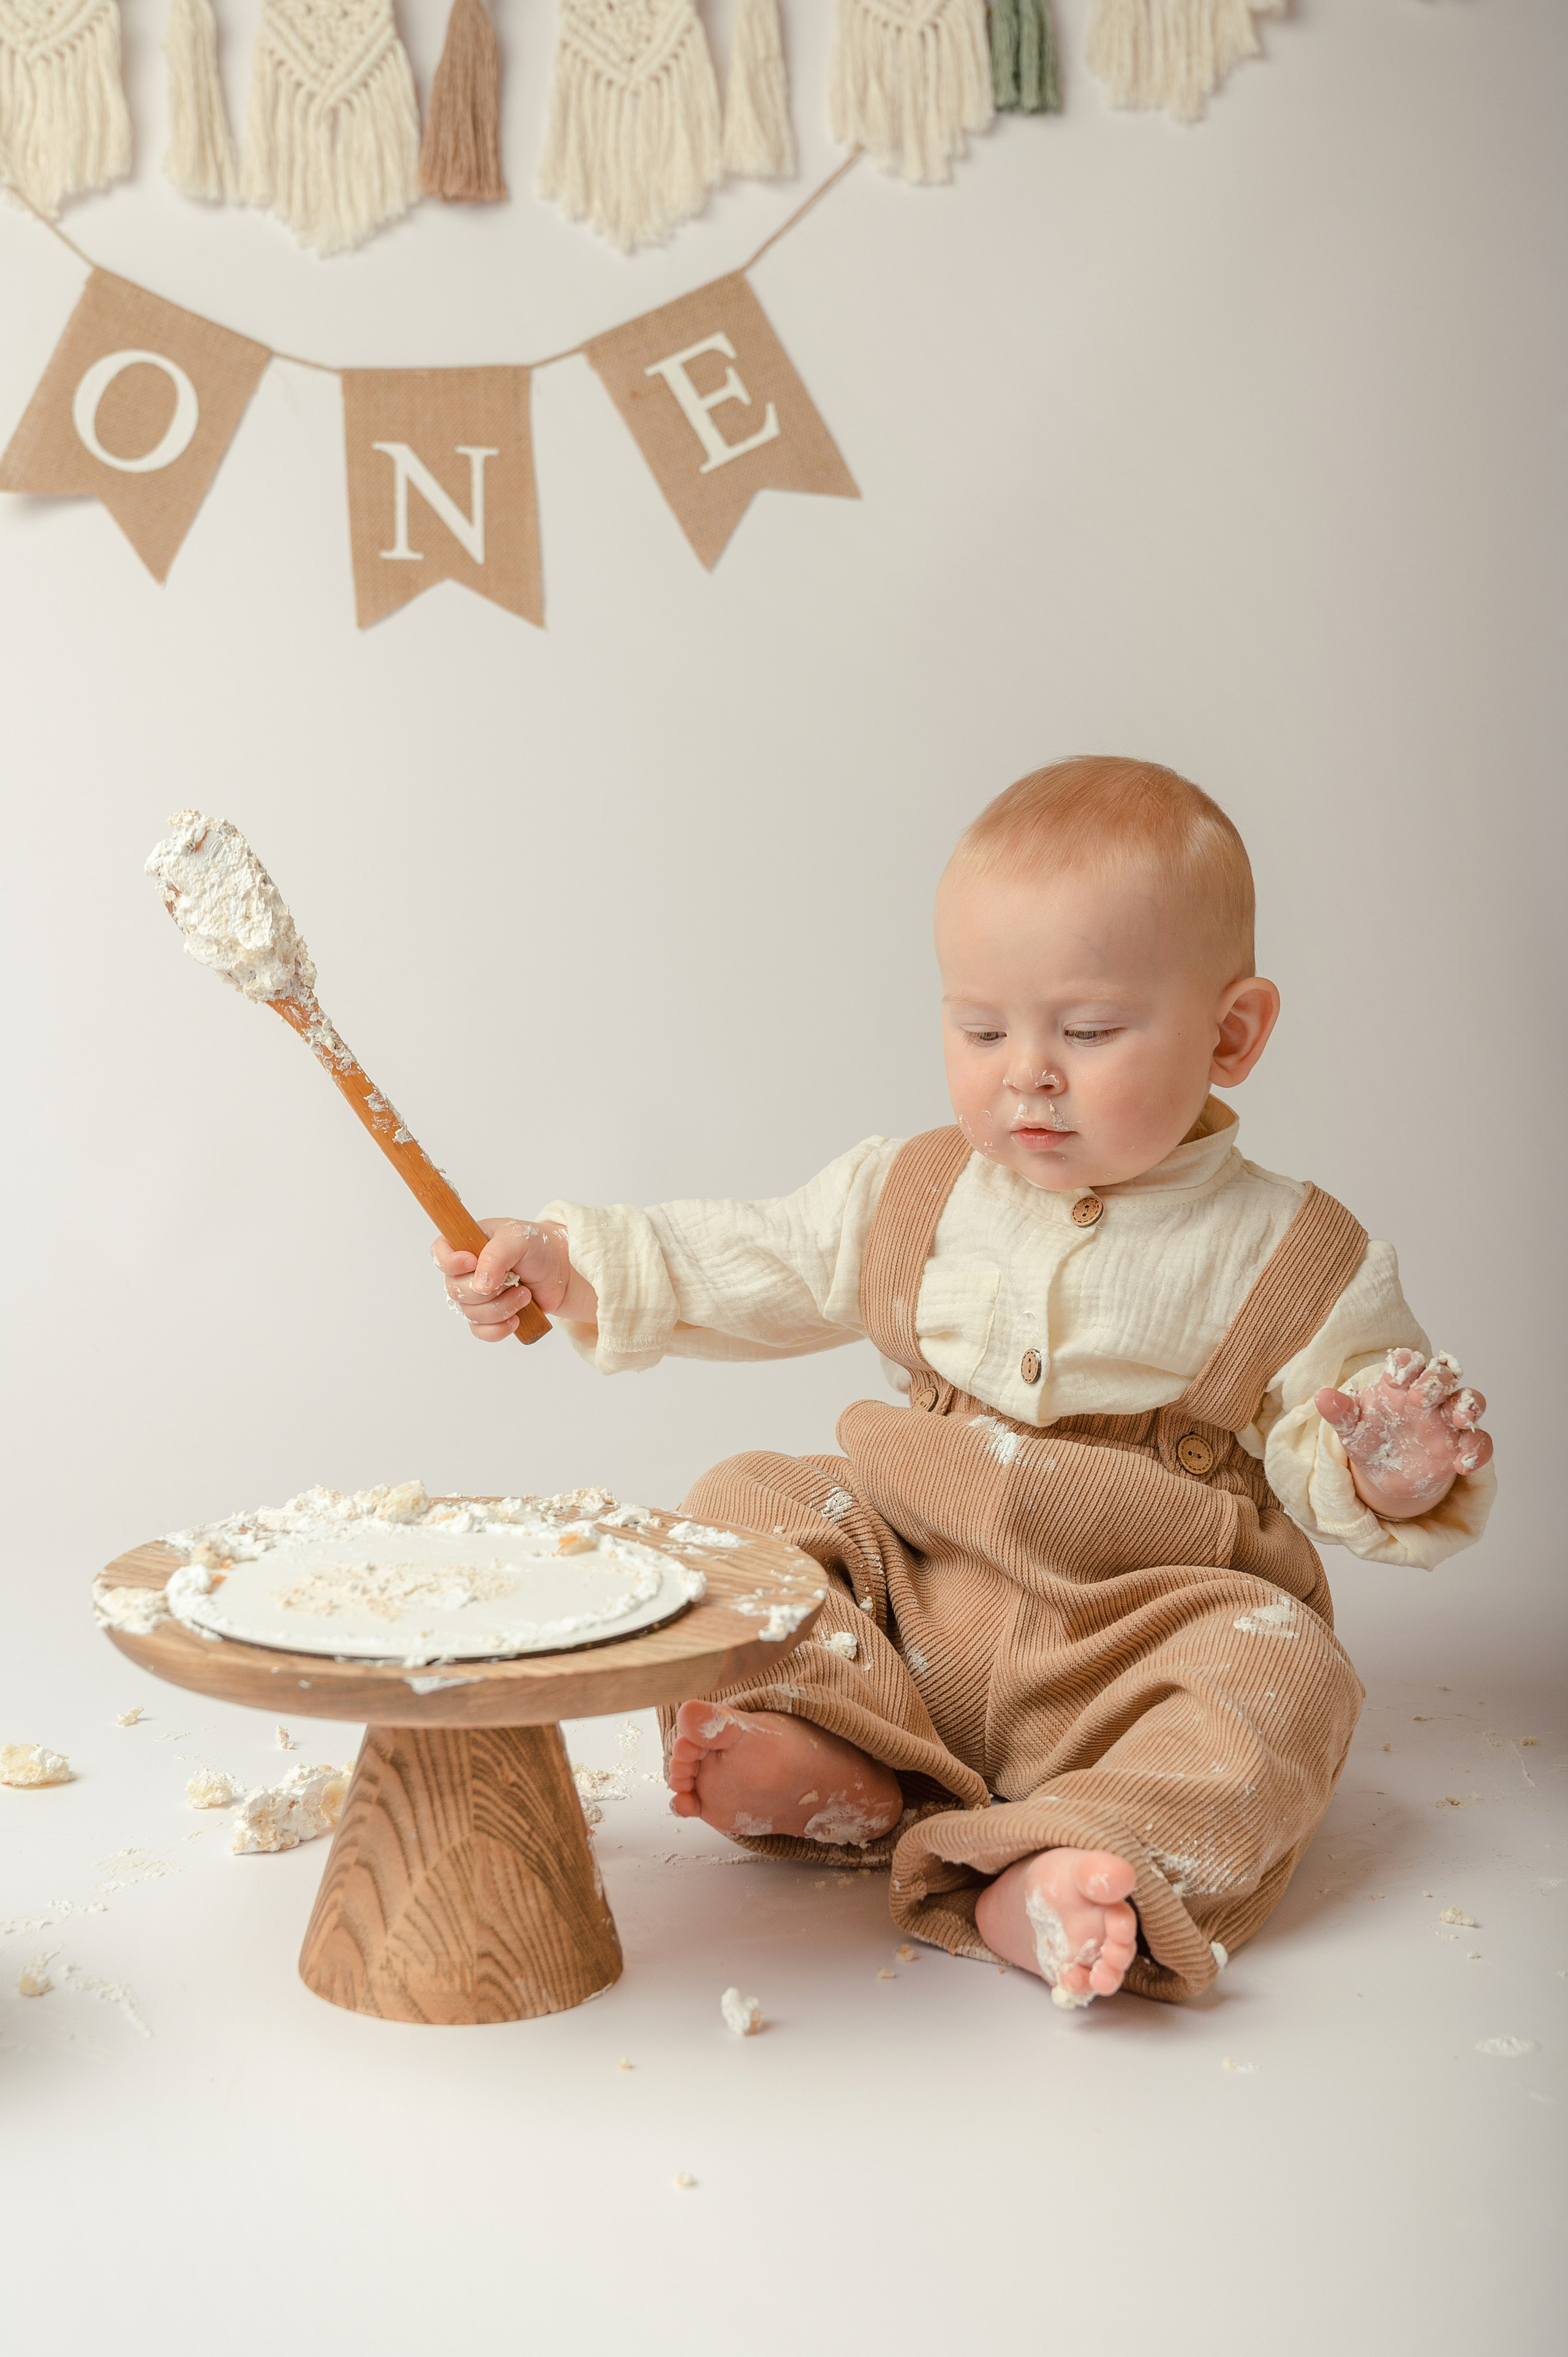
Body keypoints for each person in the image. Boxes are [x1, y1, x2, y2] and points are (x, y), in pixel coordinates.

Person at [432, 758, 1495, 2006]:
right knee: (746, 1498)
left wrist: (1390, 1456)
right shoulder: (920, 1189)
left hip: (1141, 1621)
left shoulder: (1293, 1251)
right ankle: (825, 1738)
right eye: (979, 1028)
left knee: (1289, 1674)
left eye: (1087, 1032)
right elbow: (754, 1252)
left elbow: (1347, 1423)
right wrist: (569, 1264)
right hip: (914, 1585)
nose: (1024, 1071)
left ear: (1231, 1032)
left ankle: (1056, 1861)